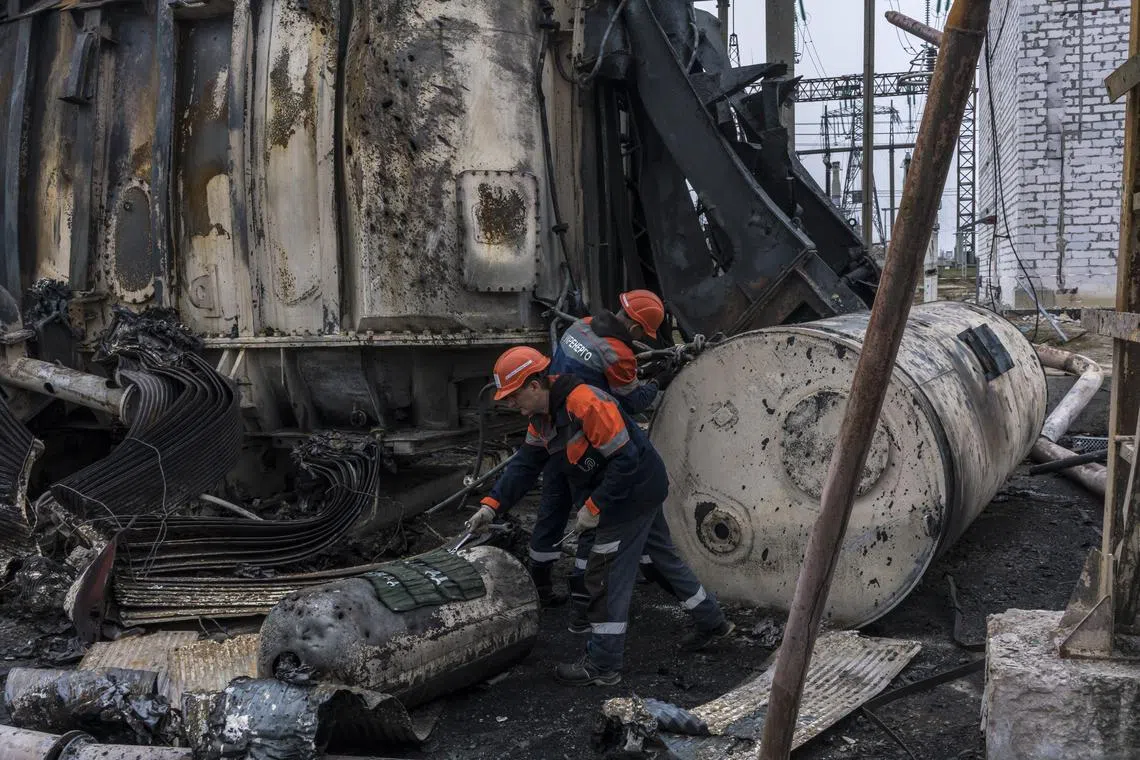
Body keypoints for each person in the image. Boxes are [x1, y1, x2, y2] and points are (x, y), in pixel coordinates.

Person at [466, 347, 733, 686]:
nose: (511, 405)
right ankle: (714, 624)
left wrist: (594, 508)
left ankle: (604, 665)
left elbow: (626, 460)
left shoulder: (586, 403)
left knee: (604, 577)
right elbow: (525, 464)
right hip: (633, 489)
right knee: (664, 558)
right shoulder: (542, 420)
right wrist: (491, 505)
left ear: (535, 385)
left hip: (631, 492)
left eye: (513, 396)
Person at [525, 290, 670, 619]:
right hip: (586, 439)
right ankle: (585, 593)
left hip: (555, 430)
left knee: (552, 505)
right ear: (635, 328)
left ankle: (541, 585)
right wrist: (659, 380)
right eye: (642, 334)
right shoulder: (618, 352)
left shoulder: (579, 327)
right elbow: (632, 402)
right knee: (592, 515)